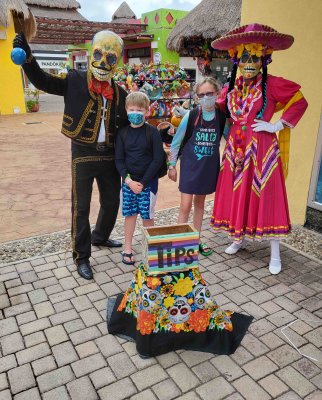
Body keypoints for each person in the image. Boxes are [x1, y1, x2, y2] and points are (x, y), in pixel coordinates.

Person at [13, 31, 129, 280]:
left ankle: (100, 236)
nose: (102, 63)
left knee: (111, 202)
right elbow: (43, 81)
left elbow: (130, 127)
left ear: (117, 62)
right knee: (81, 207)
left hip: (109, 156)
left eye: (110, 58)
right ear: (90, 55)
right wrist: (28, 58)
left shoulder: (121, 94)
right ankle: (82, 256)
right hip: (83, 152)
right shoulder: (75, 79)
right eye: (98, 55)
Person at [210, 23, 308, 274]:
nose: (249, 62)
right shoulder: (232, 88)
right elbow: (218, 106)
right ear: (236, 60)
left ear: (264, 58)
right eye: (244, 57)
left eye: (254, 57)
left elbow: (299, 100)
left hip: (262, 149)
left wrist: (276, 125)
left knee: (268, 195)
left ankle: (275, 253)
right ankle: (237, 237)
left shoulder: (272, 84)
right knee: (237, 193)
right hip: (235, 149)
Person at [168, 77, 226, 256]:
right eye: (201, 95)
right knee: (185, 205)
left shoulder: (222, 117)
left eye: (209, 93)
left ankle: (195, 240)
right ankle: (179, 244)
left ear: (217, 93)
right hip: (190, 166)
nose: (206, 97)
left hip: (208, 167)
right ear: (197, 97)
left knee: (200, 204)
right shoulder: (191, 115)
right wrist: (172, 165)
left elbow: (233, 139)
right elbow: (176, 142)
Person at [115, 92, 164, 265]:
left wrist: (142, 183)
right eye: (132, 109)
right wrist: (128, 181)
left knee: (147, 216)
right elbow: (119, 160)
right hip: (128, 183)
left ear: (147, 111)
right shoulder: (122, 133)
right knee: (130, 215)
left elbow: (158, 159)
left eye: (139, 110)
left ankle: (150, 247)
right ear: (126, 111)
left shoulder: (152, 132)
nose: (135, 113)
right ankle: (127, 247)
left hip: (148, 184)